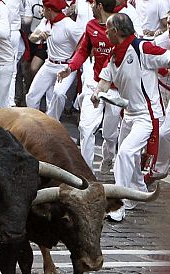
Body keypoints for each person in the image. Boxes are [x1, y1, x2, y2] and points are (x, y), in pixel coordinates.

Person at [92, 12, 170, 222]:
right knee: (130, 157)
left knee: (125, 154)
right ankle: (137, 191)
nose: (105, 31)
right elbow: (104, 82)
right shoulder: (113, 55)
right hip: (128, 114)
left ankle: (118, 205)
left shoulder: (141, 48)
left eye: (107, 28)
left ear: (116, 31)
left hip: (148, 115)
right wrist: (96, 93)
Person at [58, 0, 118, 174]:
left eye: (93, 3)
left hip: (115, 88)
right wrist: (70, 67)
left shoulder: (120, 24)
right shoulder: (90, 26)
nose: (89, 6)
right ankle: (85, 172)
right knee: (86, 127)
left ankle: (108, 159)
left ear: (100, 6)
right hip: (94, 84)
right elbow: (83, 50)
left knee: (109, 134)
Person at [25, 0, 83, 121]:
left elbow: (84, 44)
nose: (41, 11)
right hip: (49, 63)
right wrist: (39, 36)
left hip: (65, 66)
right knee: (31, 96)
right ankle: (33, 122)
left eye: (44, 8)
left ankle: (52, 121)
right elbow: (31, 38)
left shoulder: (69, 25)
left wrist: (74, 62)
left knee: (59, 93)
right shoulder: (45, 21)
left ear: (49, 10)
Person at [153, 5, 170, 180]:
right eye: (169, 23)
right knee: (164, 133)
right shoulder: (165, 40)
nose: (169, 26)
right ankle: (161, 168)